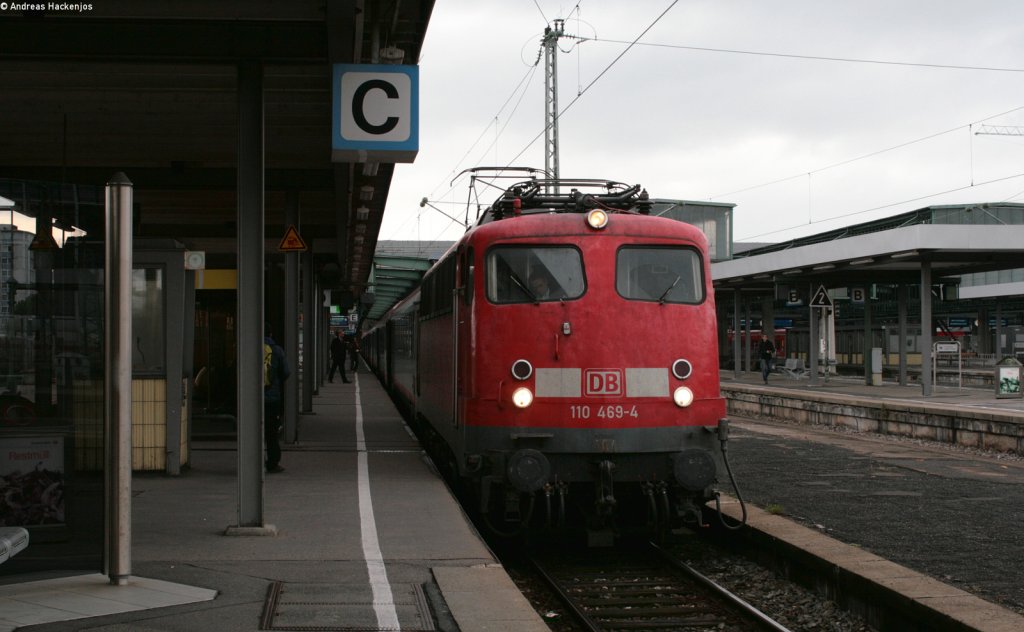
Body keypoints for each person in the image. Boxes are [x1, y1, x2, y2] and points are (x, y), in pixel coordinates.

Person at [264, 323, 292, 474]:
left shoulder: (248, 346)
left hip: (250, 400)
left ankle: (250, 461)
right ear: (271, 334)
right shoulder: (277, 350)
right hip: (272, 397)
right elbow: (286, 372)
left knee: (251, 430)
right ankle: (273, 462)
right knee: (271, 432)